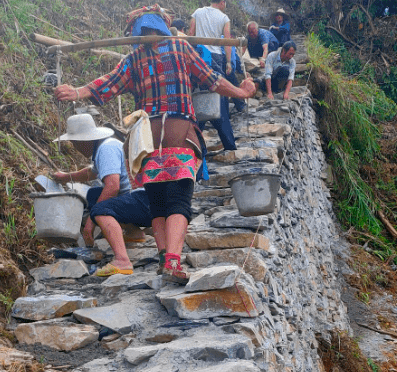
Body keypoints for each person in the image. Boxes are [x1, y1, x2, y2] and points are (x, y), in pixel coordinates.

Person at [54, 5, 256, 284]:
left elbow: (106, 85)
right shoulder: (181, 49)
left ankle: (164, 258)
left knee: (158, 203)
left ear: (137, 31)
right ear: (163, 26)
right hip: (180, 134)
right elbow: (213, 81)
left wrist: (76, 91)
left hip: (147, 142)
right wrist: (241, 92)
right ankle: (172, 261)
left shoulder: (134, 58)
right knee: (179, 201)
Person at [51, 114, 163, 277]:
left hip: (145, 201)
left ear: (84, 141)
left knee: (99, 210)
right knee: (94, 194)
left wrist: (91, 220)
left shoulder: (106, 149)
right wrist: (66, 177)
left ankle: (122, 260)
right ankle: (134, 233)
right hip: (146, 199)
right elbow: (90, 173)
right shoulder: (104, 147)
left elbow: (112, 186)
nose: (75, 147)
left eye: (74, 143)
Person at [190, 0, 239, 149]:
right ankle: (230, 146)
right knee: (220, 101)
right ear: (222, 2)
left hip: (197, 58)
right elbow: (227, 42)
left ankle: (194, 144)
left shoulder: (197, 13)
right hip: (216, 59)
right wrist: (229, 62)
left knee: (198, 97)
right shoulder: (224, 18)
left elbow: (190, 35)